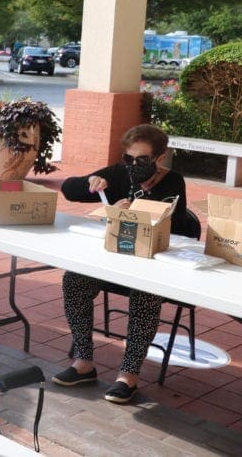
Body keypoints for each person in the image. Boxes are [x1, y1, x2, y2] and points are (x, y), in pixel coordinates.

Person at [53, 123, 197, 404]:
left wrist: (141, 212)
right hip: (117, 263)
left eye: (142, 160)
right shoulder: (120, 174)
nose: (134, 165)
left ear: (159, 157)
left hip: (153, 264)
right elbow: (69, 189)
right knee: (75, 279)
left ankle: (128, 375)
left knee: (145, 292)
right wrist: (91, 182)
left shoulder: (172, 181)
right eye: (128, 159)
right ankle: (83, 362)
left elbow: (180, 229)